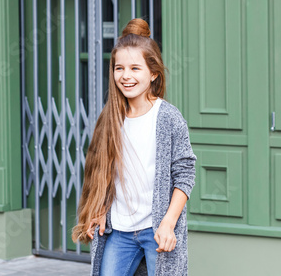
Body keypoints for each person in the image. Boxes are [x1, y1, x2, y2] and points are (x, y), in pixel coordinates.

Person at [72, 18, 197, 276]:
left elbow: (185, 174)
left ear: (153, 73)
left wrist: (168, 224)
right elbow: (104, 171)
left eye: (135, 68)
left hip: (156, 230)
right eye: (119, 68)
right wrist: (99, 209)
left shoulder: (168, 117)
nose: (126, 76)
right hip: (119, 232)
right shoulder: (111, 117)